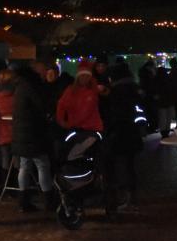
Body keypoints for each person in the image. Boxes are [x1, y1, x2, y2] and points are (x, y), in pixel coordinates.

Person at [12, 63, 58, 212]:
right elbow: (41, 106)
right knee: (42, 164)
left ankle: (23, 201)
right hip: (34, 133)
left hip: (21, 133)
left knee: (25, 166)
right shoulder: (32, 87)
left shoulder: (20, 87)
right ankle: (49, 199)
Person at [101, 62, 145, 216]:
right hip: (132, 134)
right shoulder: (133, 89)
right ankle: (132, 198)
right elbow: (140, 110)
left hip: (118, 134)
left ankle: (125, 199)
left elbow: (114, 114)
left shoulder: (116, 92)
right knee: (129, 166)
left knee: (120, 167)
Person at [56, 61, 105, 132]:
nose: (84, 78)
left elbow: (86, 112)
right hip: (75, 128)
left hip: (92, 128)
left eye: (87, 76)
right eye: (82, 75)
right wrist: (61, 120)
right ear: (78, 77)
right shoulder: (70, 90)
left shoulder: (92, 91)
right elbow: (61, 104)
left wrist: (69, 124)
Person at [0, 65, 17, 191]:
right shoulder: (17, 97)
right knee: (17, 160)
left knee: (4, 158)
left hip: (1, 131)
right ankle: (15, 184)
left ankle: (4, 184)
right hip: (17, 131)